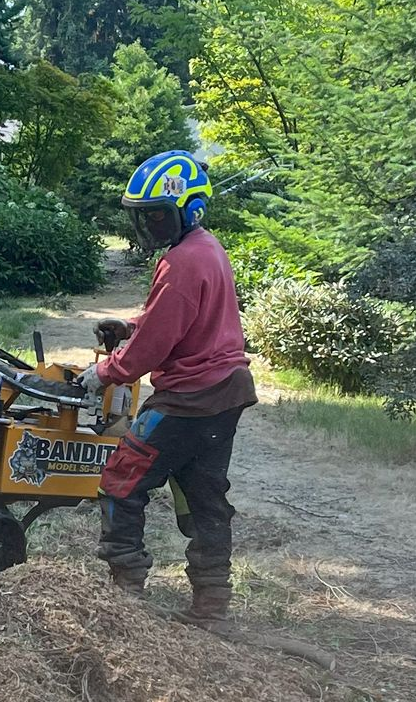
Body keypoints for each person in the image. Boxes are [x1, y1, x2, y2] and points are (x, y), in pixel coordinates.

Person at [75, 150, 257, 630]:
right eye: (144, 217)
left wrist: (104, 373)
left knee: (120, 484)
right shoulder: (207, 248)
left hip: (188, 399)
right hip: (227, 392)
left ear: (189, 209)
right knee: (204, 497)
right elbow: (174, 318)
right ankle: (212, 607)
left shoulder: (180, 262)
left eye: (157, 215)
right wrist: (131, 323)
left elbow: (152, 349)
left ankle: (125, 596)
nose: (151, 226)